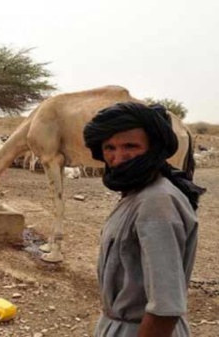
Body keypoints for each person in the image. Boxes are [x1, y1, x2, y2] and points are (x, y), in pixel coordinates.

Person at [83, 102, 206, 337]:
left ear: (153, 149)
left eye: (131, 145)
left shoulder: (156, 202)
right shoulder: (138, 195)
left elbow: (164, 309)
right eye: (109, 147)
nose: (118, 157)